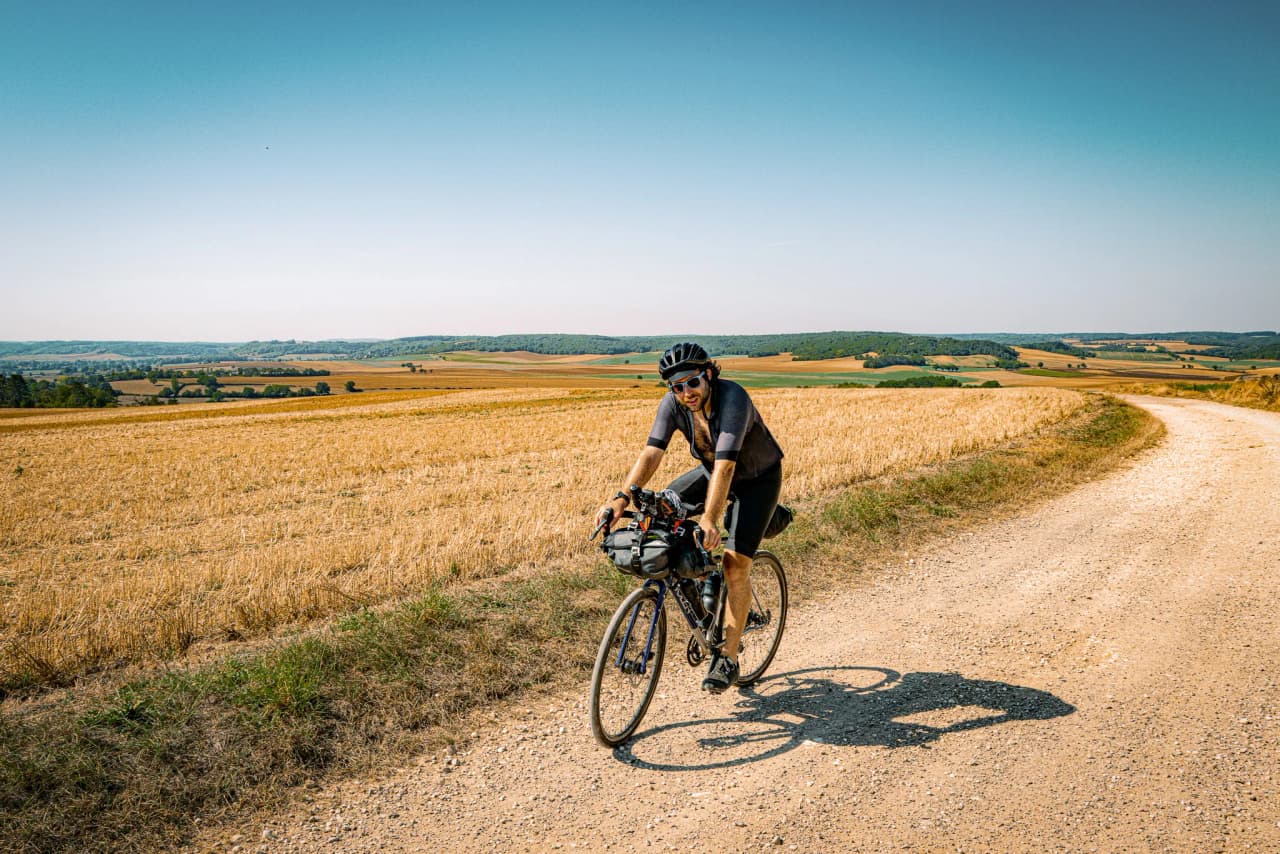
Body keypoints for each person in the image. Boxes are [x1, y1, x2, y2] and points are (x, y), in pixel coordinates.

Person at [594, 342, 784, 693]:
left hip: (756, 479)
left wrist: (710, 519)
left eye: (692, 382)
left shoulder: (733, 400)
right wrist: (621, 498)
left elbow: (727, 467)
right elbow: (652, 452)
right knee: (662, 509)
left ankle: (727, 658)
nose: (685, 392)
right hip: (712, 472)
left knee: (735, 565)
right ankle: (704, 584)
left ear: (708, 374)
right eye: (677, 387)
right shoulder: (674, 404)